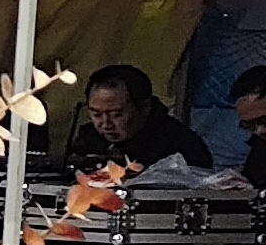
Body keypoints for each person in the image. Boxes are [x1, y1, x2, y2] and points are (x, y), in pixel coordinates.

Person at [79, 64, 219, 173]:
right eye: (96, 115)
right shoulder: (87, 140)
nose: (106, 124)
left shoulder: (181, 147)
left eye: (117, 114)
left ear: (145, 108)